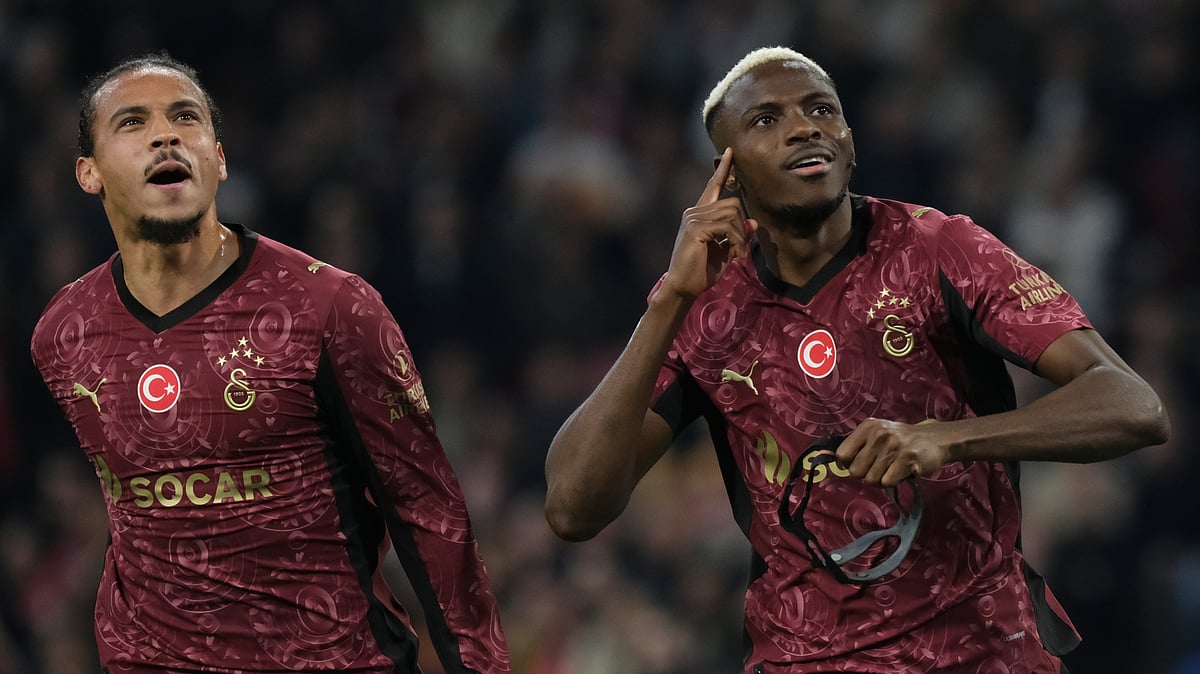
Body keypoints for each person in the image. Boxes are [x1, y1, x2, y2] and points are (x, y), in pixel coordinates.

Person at [544, 46, 1170, 673]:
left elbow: (1133, 405)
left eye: (821, 110)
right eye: (767, 120)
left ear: (847, 141)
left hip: (982, 651)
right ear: (726, 175)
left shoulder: (939, 248)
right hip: (805, 659)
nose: (803, 127)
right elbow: (573, 508)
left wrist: (949, 439)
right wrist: (670, 299)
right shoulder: (705, 308)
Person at [30, 52, 510, 673]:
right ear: (88, 173)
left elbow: (431, 517)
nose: (165, 134)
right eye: (132, 123)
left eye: (185, 117)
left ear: (219, 159)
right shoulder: (63, 333)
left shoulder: (331, 308)